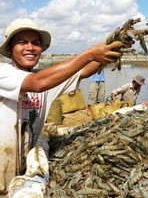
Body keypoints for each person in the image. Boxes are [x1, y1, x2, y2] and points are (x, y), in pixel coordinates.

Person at [0, 18, 123, 195]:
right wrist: (88, 54)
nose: (30, 47)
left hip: (23, 173)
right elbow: (36, 83)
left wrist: (114, 47)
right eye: (22, 42)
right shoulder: (4, 73)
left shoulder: (46, 79)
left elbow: (84, 71)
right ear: (10, 50)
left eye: (35, 43)